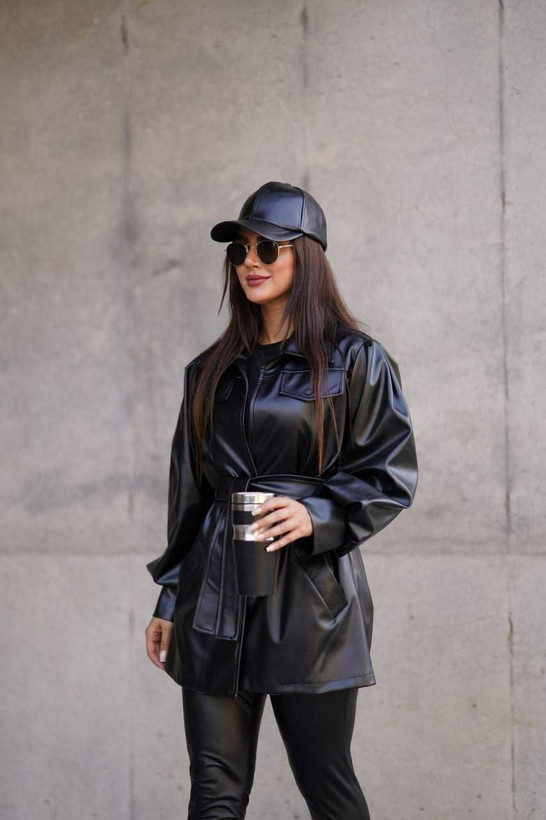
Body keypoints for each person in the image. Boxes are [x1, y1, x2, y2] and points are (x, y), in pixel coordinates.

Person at [145, 180, 418, 820]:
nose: (251, 262)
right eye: (240, 249)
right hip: (213, 599)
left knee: (327, 786)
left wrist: (316, 512)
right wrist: (170, 596)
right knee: (213, 794)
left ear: (307, 257)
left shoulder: (356, 360)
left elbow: (390, 473)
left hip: (310, 604)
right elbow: (191, 496)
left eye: (268, 248)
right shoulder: (209, 371)